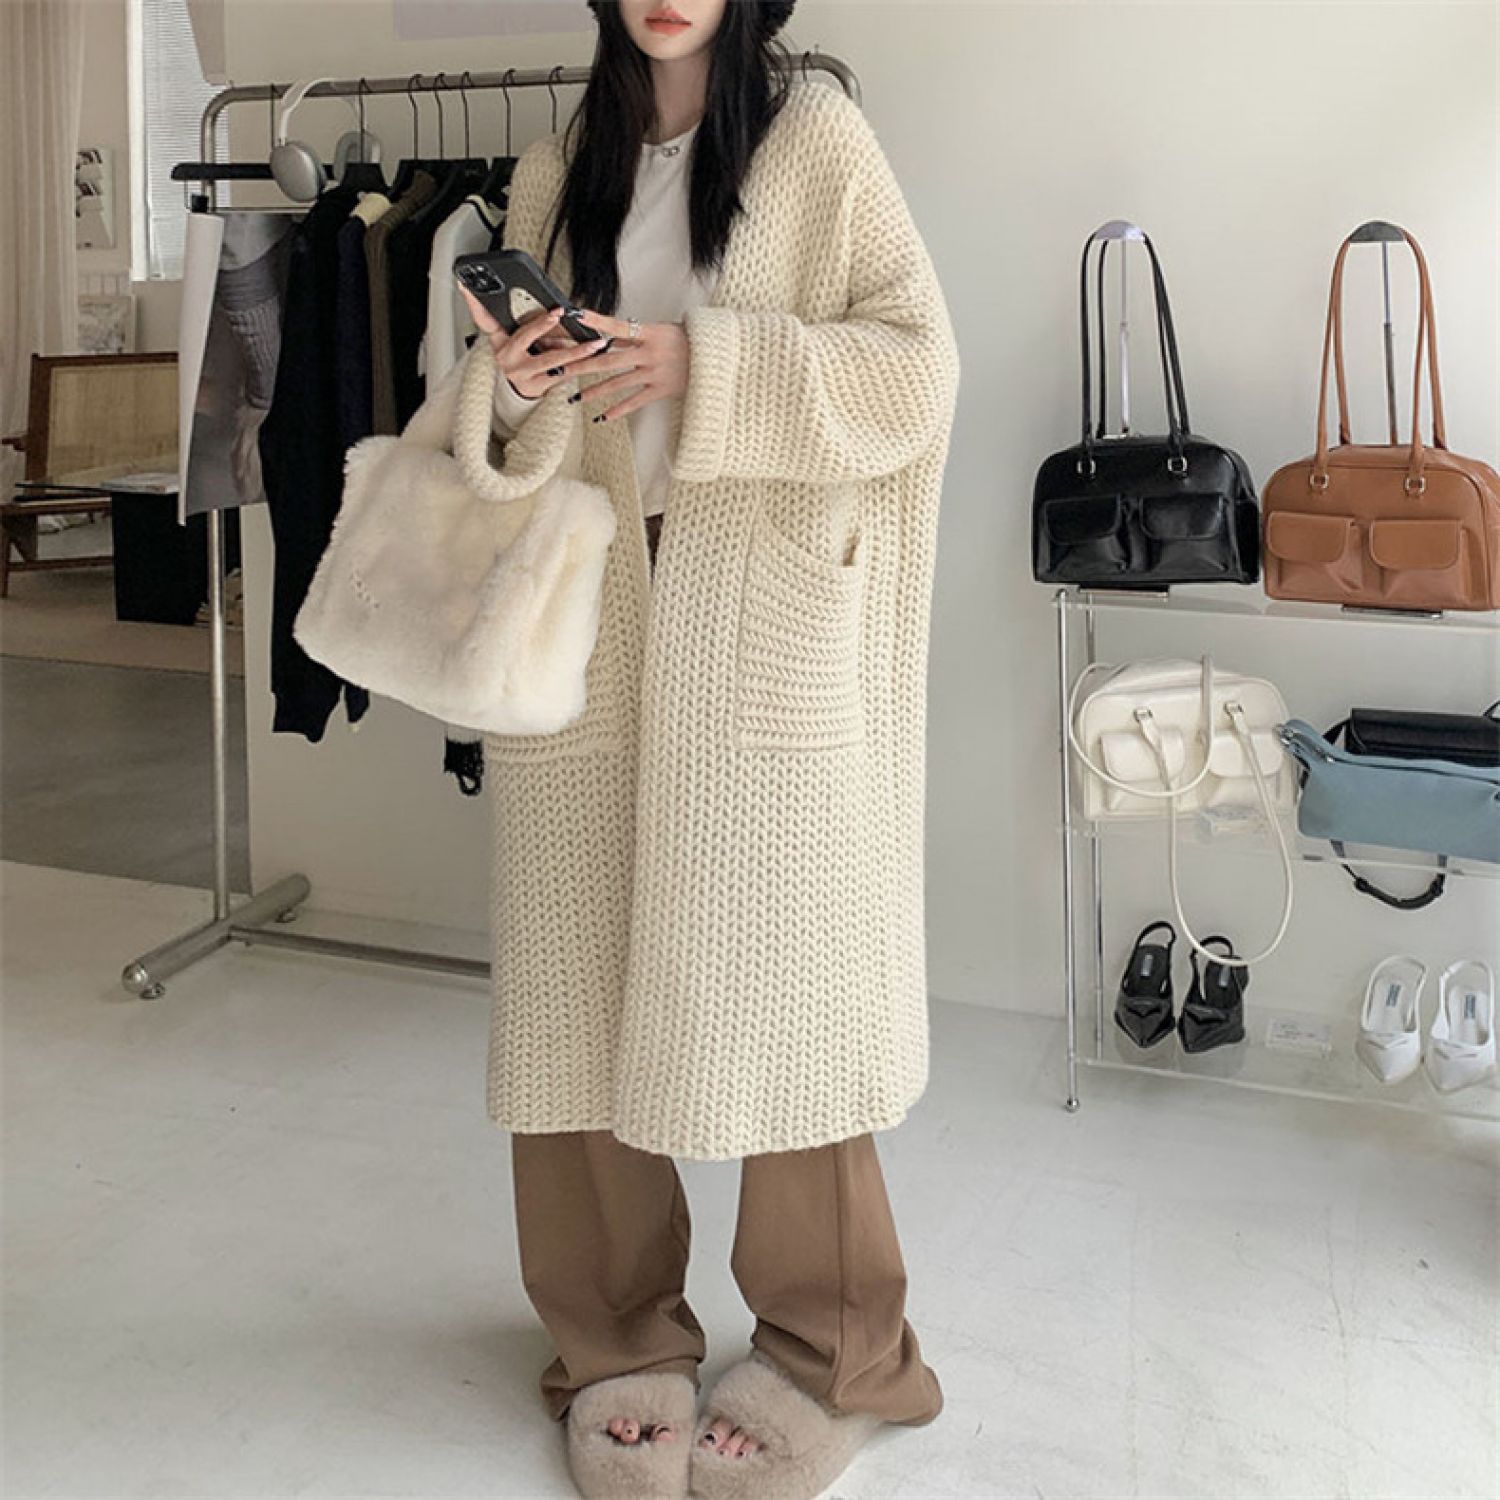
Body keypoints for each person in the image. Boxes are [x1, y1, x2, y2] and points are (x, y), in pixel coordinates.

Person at [458, 4, 959, 1496]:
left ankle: (836, 1352)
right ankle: (613, 1336)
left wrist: (705, 365)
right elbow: (509, 433)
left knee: (783, 981)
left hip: (758, 609)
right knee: (573, 980)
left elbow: (918, 368)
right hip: (591, 608)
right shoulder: (555, 171)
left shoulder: (817, 140)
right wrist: (518, 383)